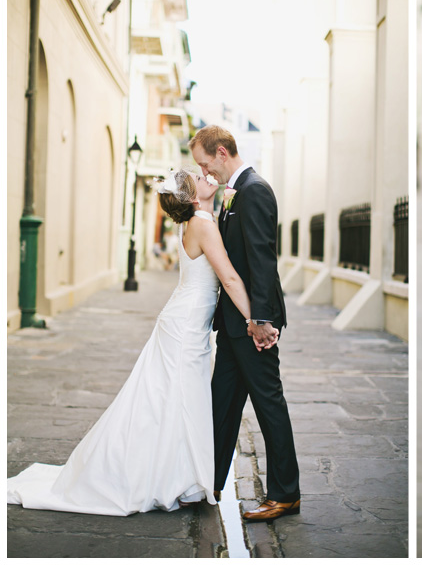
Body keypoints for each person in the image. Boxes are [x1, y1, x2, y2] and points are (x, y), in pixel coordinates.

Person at [7, 168, 253, 515]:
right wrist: (255, 320)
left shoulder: (197, 221)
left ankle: (179, 475)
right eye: (198, 176)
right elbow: (227, 277)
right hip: (184, 327)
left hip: (183, 321)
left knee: (170, 398)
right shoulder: (202, 224)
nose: (205, 174)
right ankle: (171, 478)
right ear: (192, 195)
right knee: (178, 397)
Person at [190, 125, 300, 521]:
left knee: (269, 404)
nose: (206, 173)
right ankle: (210, 482)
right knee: (222, 405)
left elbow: (261, 259)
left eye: (206, 164)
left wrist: (260, 319)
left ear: (222, 152)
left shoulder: (254, 190)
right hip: (234, 324)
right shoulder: (234, 191)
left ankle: (286, 494)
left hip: (252, 324)